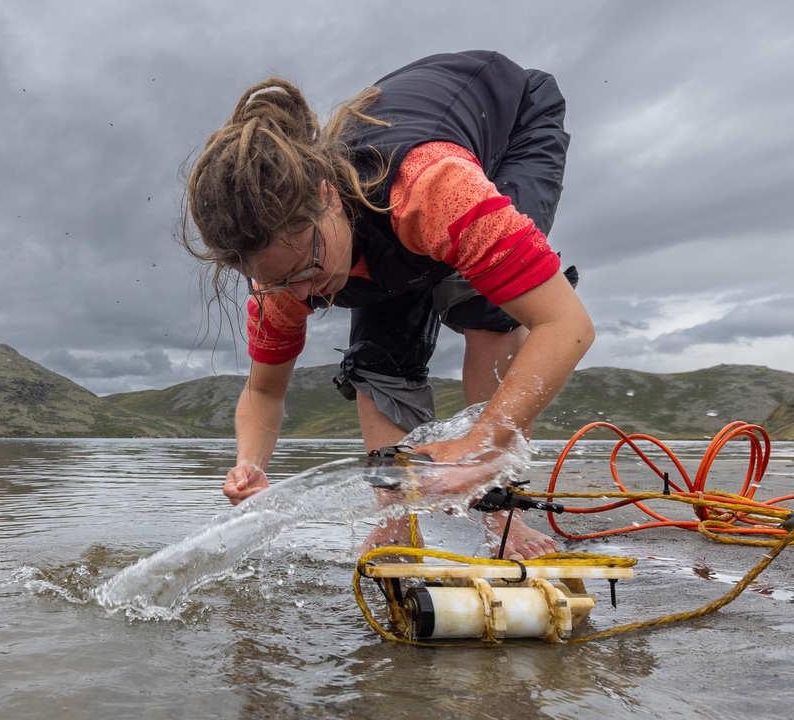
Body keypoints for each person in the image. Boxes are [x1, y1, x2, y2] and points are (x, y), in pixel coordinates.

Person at [179, 51, 594, 561]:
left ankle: (501, 517)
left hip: (508, 127)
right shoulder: (281, 282)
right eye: (282, 282)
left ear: (328, 197)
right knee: (376, 353)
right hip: (388, 216)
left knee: (481, 301)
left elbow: (566, 324)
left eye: (308, 266)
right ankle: (397, 522)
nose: (306, 294)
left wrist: (479, 444)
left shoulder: (430, 189)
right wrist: (250, 462)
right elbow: (263, 391)